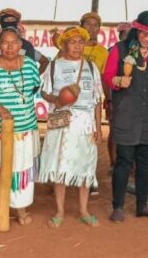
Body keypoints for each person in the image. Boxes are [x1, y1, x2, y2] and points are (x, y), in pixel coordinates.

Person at [103, 11, 148, 222]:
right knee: (123, 161)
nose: (147, 38)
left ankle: (142, 205)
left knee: (145, 161)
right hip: (127, 112)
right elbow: (107, 75)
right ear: (136, 30)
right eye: (143, 33)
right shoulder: (120, 49)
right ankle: (117, 206)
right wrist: (117, 81)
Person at [0, 26, 42, 227]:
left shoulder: (30, 65)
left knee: (19, 168)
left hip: (23, 129)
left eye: (14, 43)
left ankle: (20, 207)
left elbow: (33, 88)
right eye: (5, 42)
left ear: (21, 45)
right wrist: (0, 108)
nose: (10, 47)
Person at [38, 27, 104, 227]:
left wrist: (98, 126)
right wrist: (57, 99)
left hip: (85, 122)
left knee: (85, 166)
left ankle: (84, 210)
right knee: (60, 165)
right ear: (64, 45)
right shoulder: (54, 66)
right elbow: (44, 92)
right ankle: (59, 211)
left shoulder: (92, 67)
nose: (77, 46)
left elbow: (98, 99)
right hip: (61, 121)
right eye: (73, 42)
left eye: (80, 42)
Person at [79, 12, 109, 195]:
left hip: (91, 103)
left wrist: (108, 100)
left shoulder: (102, 52)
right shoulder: (71, 46)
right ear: (81, 26)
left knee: (91, 140)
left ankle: (90, 178)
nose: (91, 28)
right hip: (70, 103)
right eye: (87, 24)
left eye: (95, 25)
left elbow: (104, 78)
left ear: (99, 29)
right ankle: (63, 177)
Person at [0, 8, 49, 74]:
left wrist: (35, 78)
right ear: (1, 22)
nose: (9, 22)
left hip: (20, 85)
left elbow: (44, 61)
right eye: (6, 19)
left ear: (17, 22)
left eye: (12, 19)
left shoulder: (26, 45)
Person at [103, 21, 133, 169]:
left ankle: (131, 164)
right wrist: (109, 100)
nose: (128, 37)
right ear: (120, 35)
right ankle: (113, 163)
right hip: (117, 98)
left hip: (135, 101)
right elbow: (107, 77)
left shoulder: (139, 51)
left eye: (130, 34)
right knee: (115, 131)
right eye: (125, 34)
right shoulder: (112, 51)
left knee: (133, 131)